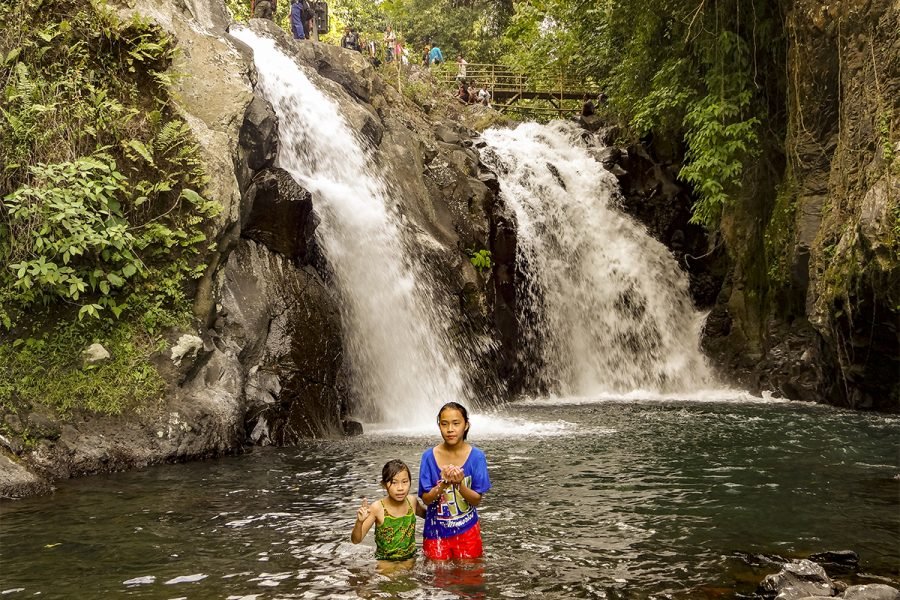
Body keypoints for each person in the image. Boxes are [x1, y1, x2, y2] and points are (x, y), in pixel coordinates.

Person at [418, 402, 491, 560]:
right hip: (435, 533)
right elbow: (426, 499)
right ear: (439, 426)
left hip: (467, 532)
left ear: (466, 425)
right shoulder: (428, 457)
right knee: (437, 578)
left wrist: (459, 485)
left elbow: (477, 500)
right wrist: (444, 484)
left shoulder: (477, 457)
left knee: (470, 578)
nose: (450, 429)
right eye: (444, 424)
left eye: (456, 423)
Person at [351, 459, 425, 562]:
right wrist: (359, 522)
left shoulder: (411, 501)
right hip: (386, 562)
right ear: (384, 484)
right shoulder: (377, 508)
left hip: (410, 558)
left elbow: (429, 516)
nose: (400, 488)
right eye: (394, 483)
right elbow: (356, 540)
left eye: (405, 482)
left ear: (410, 482)